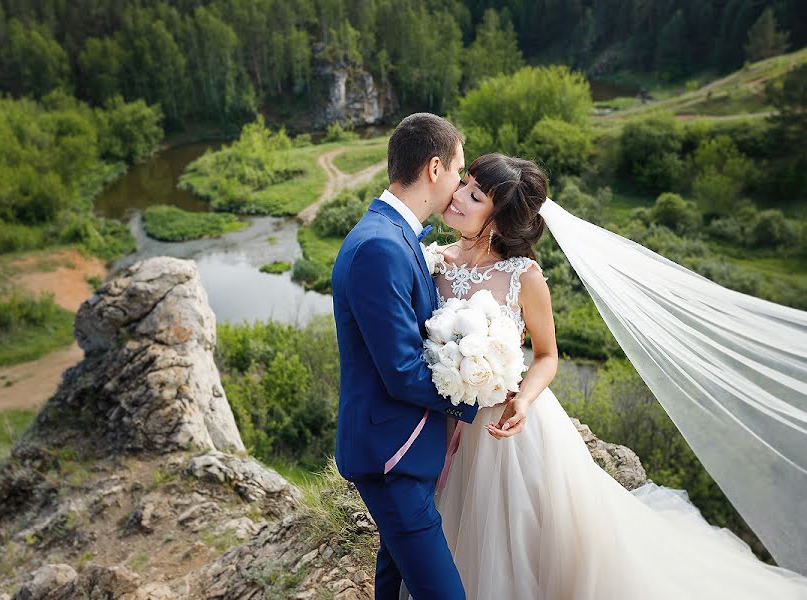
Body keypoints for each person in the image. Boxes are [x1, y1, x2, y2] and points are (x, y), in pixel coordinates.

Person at [406, 152, 807, 599]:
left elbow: (547, 355)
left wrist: (523, 400)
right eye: (463, 184)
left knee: (520, 543)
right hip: (442, 422)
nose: (457, 195)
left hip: (507, 433)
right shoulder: (433, 261)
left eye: (474, 195)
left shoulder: (524, 277)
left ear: (498, 219)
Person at [331, 113, 488, 599]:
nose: (462, 183)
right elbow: (401, 372)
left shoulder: (392, 236)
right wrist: (471, 397)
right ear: (434, 168)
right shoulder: (381, 247)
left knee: (393, 582)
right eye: (459, 171)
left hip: (399, 452)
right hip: (391, 458)